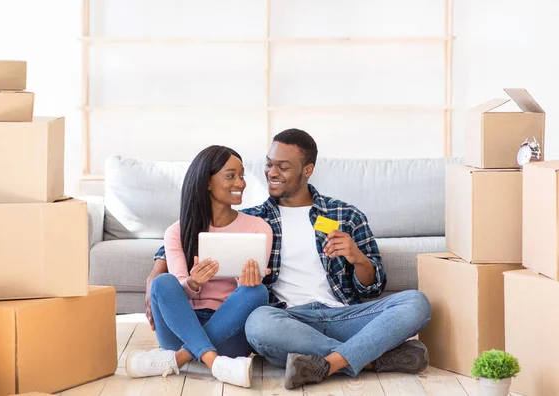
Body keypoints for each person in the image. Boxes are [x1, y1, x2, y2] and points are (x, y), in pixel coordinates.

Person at [151, 130, 431, 390]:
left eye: (282, 167)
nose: (271, 173)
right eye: (268, 164)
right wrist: (157, 274)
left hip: (344, 315)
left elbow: (373, 286)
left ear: (307, 170)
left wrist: (357, 258)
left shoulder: (345, 215)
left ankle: (330, 363)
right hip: (285, 319)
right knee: (258, 323)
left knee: (416, 302)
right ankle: (370, 356)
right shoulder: (255, 218)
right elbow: (192, 236)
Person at [125, 145, 273, 388]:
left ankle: (178, 359)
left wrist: (244, 282)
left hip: (229, 334)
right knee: (163, 282)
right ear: (207, 182)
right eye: (231, 175)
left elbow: (246, 295)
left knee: (258, 291)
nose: (241, 183)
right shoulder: (177, 231)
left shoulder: (258, 228)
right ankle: (216, 364)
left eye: (242, 175)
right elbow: (174, 289)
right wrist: (192, 283)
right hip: (180, 327)